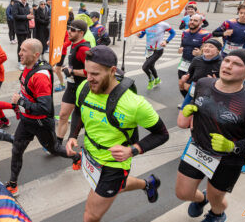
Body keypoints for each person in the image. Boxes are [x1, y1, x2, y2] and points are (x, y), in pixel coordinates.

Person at [66, 45, 169, 222]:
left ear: (112, 71)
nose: (89, 78)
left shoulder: (135, 104)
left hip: (114, 165)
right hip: (91, 156)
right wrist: (72, 136)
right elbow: (78, 111)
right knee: (119, 186)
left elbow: (162, 134)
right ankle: (148, 183)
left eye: (95, 74)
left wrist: (133, 150)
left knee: (90, 216)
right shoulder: (84, 87)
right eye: (87, 72)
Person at [176, 49, 245, 222]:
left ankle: (217, 214)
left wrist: (232, 146)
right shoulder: (203, 83)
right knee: (183, 193)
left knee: (217, 200)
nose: (228, 66)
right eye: (227, 60)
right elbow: (192, 108)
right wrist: (187, 111)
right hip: (197, 149)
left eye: (237, 64)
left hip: (228, 160)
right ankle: (202, 199)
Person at [5, 39, 81, 196]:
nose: (19, 53)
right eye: (20, 49)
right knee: (16, 150)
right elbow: (27, 91)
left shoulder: (40, 76)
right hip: (27, 121)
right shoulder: (28, 67)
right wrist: (20, 100)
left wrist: (21, 102)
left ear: (36, 54)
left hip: (40, 122)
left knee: (54, 149)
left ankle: (77, 156)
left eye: (24, 50)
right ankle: (13, 184)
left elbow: (44, 108)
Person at [55, 20, 91, 144]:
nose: (69, 32)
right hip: (71, 87)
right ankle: (58, 143)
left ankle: (78, 140)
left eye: (73, 30)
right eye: (69, 28)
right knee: (63, 115)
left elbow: (91, 71)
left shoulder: (83, 48)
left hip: (83, 88)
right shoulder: (74, 45)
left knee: (82, 118)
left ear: (81, 33)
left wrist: (72, 71)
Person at [179, 38, 222, 109]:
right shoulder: (197, 59)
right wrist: (186, 80)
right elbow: (190, 72)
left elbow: (226, 82)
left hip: (210, 95)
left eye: (211, 47)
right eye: (205, 46)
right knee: (184, 111)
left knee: (201, 117)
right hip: (193, 91)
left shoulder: (221, 63)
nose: (207, 48)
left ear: (218, 50)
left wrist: (216, 82)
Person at [178, 14, 212, 96]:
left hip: (198, 64)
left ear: (200, 23)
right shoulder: (185, 33)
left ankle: (191, 102)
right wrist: (180, 49)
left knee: (190, 86)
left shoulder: (206, 34)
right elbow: (182, 44)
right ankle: (186, 101)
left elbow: (211, 51)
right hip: (184, 62)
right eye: (191, 20)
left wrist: (200, 53)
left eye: (195, 21)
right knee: (181, 84)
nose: (192, 22)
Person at [138, 21, 176, 89]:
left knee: (145, 67)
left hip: (158, 50)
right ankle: (157, 79)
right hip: (149, 49)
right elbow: (141, 36)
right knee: (151, 66)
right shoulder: (146, 24)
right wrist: (139, 34)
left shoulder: (163, 24)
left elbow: (173, 33)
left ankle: (151, 79)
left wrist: (166, 41)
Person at [12, 0, 33, 71]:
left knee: (26, 45)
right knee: (21, 46)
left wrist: (30, 15)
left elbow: (27, 16)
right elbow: (15, 16)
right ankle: (20, 62)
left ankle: (24, 60)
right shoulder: (16, 4)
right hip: (19, 29)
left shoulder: (27, 5)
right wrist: (26, 17)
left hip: (26, 28)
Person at [54, 10, 74, 92]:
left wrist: (60, 46)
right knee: (55, 68)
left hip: (61, 52)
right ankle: (66, 71)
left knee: (57, 69)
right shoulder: (57, 29)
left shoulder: (65, 31)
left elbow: (68, 42)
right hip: (56, 52)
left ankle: (62, 84)